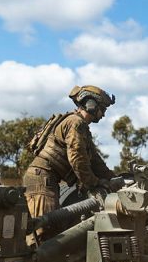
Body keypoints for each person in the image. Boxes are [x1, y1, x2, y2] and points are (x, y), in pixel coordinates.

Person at [23, 85, 116, 238]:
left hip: (45, 179)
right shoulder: (75, 123)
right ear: (91, 105)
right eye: (103, 109)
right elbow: (78, 159)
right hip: (42, 180)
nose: (103, 114)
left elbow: (95, 161)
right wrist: (93, 182)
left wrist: (113, 180)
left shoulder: (80, 125)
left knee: (50, 232)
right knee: (45, 234)